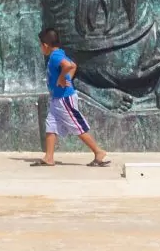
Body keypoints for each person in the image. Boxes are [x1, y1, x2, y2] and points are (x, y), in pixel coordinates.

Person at [38, 29, 109, 168]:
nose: (41, 48)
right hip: (57, 98)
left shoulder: (55, 56)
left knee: (77, 126)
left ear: (45, 45)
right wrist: (67, 78)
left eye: (40, 45)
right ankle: (49, 157)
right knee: (51, 125)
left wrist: (61, 78)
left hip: (64, 99)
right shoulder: (59, 53)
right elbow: (74, 66)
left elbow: (68, 65)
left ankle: (98, 152)